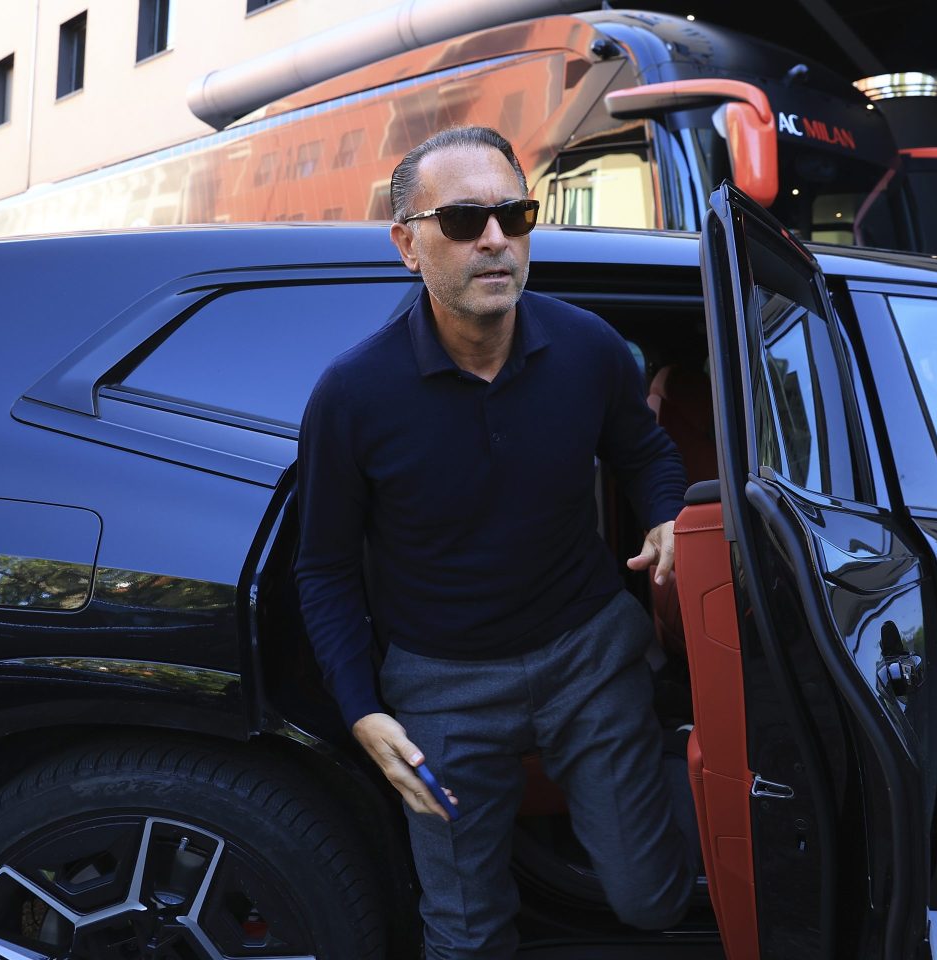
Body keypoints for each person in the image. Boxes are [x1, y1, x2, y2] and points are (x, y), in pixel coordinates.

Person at [294, 125, 698, 959]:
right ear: (407, 244)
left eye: (514, 216)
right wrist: (363, 711)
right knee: (466, 936)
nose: (494, 239)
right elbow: (324, 568)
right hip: (441, 687)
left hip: (590, 657)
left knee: (652, 900)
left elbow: (645, 451)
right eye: (462, 220)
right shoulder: (353, 393)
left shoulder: (588, 348)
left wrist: (666, 514)